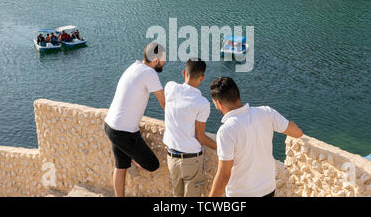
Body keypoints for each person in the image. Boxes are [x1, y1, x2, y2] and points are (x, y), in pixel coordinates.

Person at [208, 77, 303, 197]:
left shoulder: (226, 130)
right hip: (268, 190)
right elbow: (297, 133)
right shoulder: (266, 112)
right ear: (238, 95)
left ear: (218, 103)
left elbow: (224, 174)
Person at [104, 42, 166, 197]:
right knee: (152, 164)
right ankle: (132, 158)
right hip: (124, 132)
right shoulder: (150, 73)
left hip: (110, 126)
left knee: (120, 166)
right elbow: (164, 103)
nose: (165, 62)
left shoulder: (134, 66)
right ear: (156, 60)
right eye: (164, 59)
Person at [163, 58, 217, 197]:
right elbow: (200, 136)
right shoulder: (202, 103)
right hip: (191, 159)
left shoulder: (170, 87)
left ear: (183, 73)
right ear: (202, 77)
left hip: (172, 157)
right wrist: (220, 148)